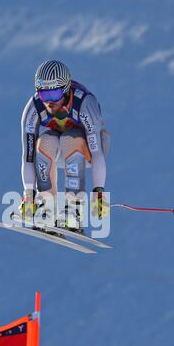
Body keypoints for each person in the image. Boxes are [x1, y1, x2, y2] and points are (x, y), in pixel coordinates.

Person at [20, 60, 110, 232]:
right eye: (44, 95)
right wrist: (28, 193)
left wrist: (99, 191)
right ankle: (46, 206)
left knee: (70, 138)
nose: (49, 102)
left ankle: (74, 209)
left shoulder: (84, 103)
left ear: (66, 90)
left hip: (92, 149)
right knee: (45, 141)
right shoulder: (33, 108)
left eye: (54, 95)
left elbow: (97, 153)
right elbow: (28, 157)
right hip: (60, 152)